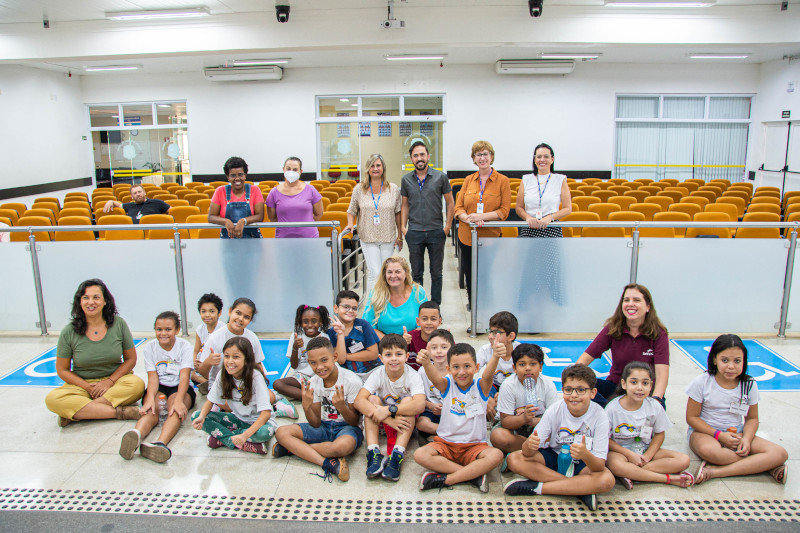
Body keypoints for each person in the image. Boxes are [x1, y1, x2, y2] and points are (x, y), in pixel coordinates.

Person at [504, 364, 615, 511]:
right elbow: (527, 452)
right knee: (514, 459)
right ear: (562, 390)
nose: (574, 395)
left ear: (593, 393)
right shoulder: (555, 410)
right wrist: (529, 445)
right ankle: (580, 489)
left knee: (607, 480)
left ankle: (539, 488)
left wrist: (585, 455)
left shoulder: (600, 416)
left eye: (581, 390)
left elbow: (599, 465)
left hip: (582, 463)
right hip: (555, 456)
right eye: (569, 390)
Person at [686, 334, 788, 485]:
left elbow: (752, 418)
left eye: (737, 361)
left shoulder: (749, 385)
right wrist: (719, 435)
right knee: (711, 452)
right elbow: (692, 418)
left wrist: (746, 439)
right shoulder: (702, 382)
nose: (731, 366)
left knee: (780, 453)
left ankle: (714, 472)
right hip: (705, 432)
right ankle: (763, 466)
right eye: (725, 360)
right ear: (714, 359)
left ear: (744, 361)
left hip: (737, 432)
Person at [45, 279, 144, 427]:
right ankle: (120, 412)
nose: (91, 302)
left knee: (137, 385)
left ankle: (78, 413)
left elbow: (131, 360)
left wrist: (109, 382)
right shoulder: (68, 331)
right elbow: (62, 370)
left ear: (105, 302)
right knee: (53, 399)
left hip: (114, 381)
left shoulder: (119, 324)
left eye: (96, 297)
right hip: (82, 385)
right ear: (79, 302)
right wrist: (87, 387)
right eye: (85, 298)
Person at [415, 343, 504, 493]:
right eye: (456, 367)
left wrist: (495, 356)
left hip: (475, 446)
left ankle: (448, 479)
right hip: (446, 444)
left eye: (467, 366)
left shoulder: (480, 387)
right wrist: (425, 363)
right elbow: (435, 377)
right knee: (420, 454)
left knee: (496, 455)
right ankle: (472, 475)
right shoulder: (447, 385)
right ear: (448, 370)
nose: (462, 372)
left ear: (476, 368)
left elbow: (488, 376)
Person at [273, 337, 364, 482]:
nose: (319, 367)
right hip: (323, 426)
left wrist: (342, 407)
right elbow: (315, 423)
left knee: (342, 447)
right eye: (313, 363)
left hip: (347, 428)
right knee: (281, 432)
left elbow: (354, 421)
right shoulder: (313, 382)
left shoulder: (352, 381)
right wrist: (306, 406)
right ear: (309, 363)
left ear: (334, 357)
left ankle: (294, 449)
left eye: (324, 360)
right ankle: (325, 462)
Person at [576, 284, 669, 407]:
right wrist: (575, 380)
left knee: (657, 408)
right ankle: (610, 411)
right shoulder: (612, 329)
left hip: (643, 391)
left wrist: (656, 400)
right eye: (626, 300)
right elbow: (582, 362)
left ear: (648, 307)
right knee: (582, 386)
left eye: (636, 300)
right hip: (615, 387)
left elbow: (662, 374)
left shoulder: (658, 333)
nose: (630, 304)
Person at [119, 311, 195, 463]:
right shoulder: (150, 348)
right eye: (159, 329)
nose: (163, 333)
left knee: (175, 411)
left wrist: (180, 400)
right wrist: (149, 400)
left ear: (177, 330)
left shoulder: (185, 346)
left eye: (168, 329)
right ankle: (136, 435)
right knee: (151, 411)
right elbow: (152, 378)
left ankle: (160, 444)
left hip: (179, 386)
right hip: (159, 386)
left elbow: (184, 376)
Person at [606, 362, 692, 489]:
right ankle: (667, 479)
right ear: (624, 384)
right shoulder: (612, 408)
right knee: (615, 464)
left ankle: (632, 474)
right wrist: (629, 455)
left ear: (651, 385)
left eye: (645, 383)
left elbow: (659, 434)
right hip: (621, 452)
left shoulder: (654, 406)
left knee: (684, 459)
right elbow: (606, 439)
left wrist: (647, 456)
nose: (640, 387)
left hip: (645, 449)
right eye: (634, 382)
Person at [354, 334, 426, 481]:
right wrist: (387, 419)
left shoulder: (413, 375)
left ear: (406, 357)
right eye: (388, 354)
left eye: (398, 354)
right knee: (372, 399)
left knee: (408, 402)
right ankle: (373, 452)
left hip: (403, 419)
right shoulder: (377, 374)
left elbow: (420, 405)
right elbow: (359, 401)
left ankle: (397, 455)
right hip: (382, 418)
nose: (393, 358)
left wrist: (388, 410)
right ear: (381, 358)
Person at [192, 337, 277, 454]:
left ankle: (223, 438)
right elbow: (210, 401)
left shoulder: (255, 377)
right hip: (237, 419)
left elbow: (266, 414)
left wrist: (245, 435)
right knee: (196, 416)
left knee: (264, 434)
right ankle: (241, 442)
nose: (230, 361)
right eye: (226, 356)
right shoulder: (223, 374)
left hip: (259, 423)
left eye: (236, 357)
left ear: (246, 359)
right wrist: (201, 417)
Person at [453, 141, 511, 305]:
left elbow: (504, 211)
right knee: (470, 276)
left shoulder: (502, 181)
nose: (482, 158)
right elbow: (458, 208)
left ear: (491, 156)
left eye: (485, 154)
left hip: (490, 238)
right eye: (478, 155)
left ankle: (488, 313)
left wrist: (482, 217)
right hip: (467, 236)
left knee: (487, 276)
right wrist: (469, 218)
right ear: (474, 158)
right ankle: (474, 312)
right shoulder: (469, 180)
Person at [400, 141, 454, 305]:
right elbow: (404, 205)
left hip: (436, 231)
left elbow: (450, 203)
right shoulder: (406, 180)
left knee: (436, 273)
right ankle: (419, 306)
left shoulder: (440, 177)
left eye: (422, 154)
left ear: (428, 156)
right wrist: (403, 228)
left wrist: (447, 228)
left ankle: (435, 308)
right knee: (416, 274)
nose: (419, 158)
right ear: (411, 159)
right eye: (416, 155)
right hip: (414, 232)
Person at [491, 343, 558, 467]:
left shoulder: (548, 385)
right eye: (522, 364)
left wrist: (533, 421)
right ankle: (536, 452)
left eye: (533, 364)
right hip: (515, 429)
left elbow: (554, 419)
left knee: (559, 433)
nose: (528, 368)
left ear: (541, 367)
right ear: (514, 368)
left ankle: (524, 453)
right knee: (498, 436)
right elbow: (505, 421)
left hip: (539, 426)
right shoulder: (508, 385)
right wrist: (524, 418)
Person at [344, 154, 402, 295]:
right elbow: (351, 210)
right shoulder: (359, 189)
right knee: (374, 272)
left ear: (383, 168)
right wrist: (350, 224)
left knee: (387, 273)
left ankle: (386, 304)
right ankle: (372, 307)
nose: (375, 168)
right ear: (368, 169)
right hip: (368, 237)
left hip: (388, 237)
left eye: (378, 165)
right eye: (372, 166)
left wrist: (400, 236)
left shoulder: (393, 189)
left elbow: (398, 213)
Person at [273, 304, 331, 401]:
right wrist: (295, 348)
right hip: (301, 377)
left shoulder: (324, 338)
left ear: (320, 322)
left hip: (320, 375)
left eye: (314, 321)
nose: (309, 325)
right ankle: (312, 397)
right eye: (305, 321)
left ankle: (305, 394)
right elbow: (294, 366)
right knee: (277, 384)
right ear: (300, 322)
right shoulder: (296, 336)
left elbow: (328, 363)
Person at [362, 256, 428, 339]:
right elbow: (367, 324)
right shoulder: (376, 293)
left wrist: (410, 337)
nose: (393, 276)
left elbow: (427, 322)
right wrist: (391, 343)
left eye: (397, 272)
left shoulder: (419, 292)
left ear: (406, 273)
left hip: (413, 342)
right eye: (389, 272)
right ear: (384, 274)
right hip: (383, 345)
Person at [515, 143, 572, 238]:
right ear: (534, 160)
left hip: (551, 228)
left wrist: (550, 217)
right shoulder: (526, 179)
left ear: (552, 159)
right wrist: (528, 218)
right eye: (539, 157)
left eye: (546, 156)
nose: (542, 160)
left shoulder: (560, 179)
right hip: (529, 228)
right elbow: (519, 207)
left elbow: (567, 209)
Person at [327, 290, 381, 381]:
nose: (350, 311)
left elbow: (373, 354)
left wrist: (346, 355)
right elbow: (340, 360)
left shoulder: (363, 325)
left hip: (372, 370)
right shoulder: (331, 333)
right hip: (349, 376)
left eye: (354, 308)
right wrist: (340, 334)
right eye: (346, 307)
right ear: (336, 308)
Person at [476, 311, 521, 420]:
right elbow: (471, 374)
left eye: (496, 332)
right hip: (493, 386)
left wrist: (504, 393)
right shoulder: (485, 350)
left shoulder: (521, 351)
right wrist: (485, 398)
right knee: (477, 399)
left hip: (514, 387)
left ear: (511, 336)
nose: (490, 336)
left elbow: (527, 379)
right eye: (490, 331)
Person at [265, 156, 324, 238]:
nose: (291, 172)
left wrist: (305, 226)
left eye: (295, 169)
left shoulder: (311, 190)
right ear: (283, 170)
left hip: (309, 238)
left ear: (300, 171)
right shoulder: (273, 193)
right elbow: (272, 218)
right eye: (288, 169)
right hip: (284, 239)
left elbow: (319, 214)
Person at [208, 156, 264, 238]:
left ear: (245, 175)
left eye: (240, 175)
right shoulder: (220, 191)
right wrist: (226, 221)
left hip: (252, 238)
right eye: (233, 175)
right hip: (228, 239)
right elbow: (211, 217)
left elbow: (260, 216)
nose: (237, 179)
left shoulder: (255, 190)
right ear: (228, 177)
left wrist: (243, 221)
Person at [415, 329, 454, 440]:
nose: (439, 351)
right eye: (434, 348)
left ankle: (440, 434)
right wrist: (431, 406)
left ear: (452, 349)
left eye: (444, 347)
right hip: (432, 411)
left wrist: (447, 408)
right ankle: (449, 433)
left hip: (453, 411)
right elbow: (418, 396)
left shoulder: (455, 371)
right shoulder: (423, 370)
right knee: (421, 423)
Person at [193, 293, 224, 395]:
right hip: (202, 363)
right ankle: (204, 381)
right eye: (203, 311)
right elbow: (196, 350)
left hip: (216, 363)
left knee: (218, 372)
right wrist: (195, 362)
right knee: (185, 370)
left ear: (219, 313)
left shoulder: (223, 329)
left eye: (211, 311)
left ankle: (207, 382)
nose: (207, 315)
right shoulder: (200, 329)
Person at [402, 300, 443, 370]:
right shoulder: (410, 337)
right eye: (424, 319)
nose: (429, 322)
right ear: (418, 321)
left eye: (433, 319)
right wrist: (402, 343)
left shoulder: (445, 339)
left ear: (439, 321)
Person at [102, 184, 170, 223]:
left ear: (144, 192)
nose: (138, 194)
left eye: (139, 192)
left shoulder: (157, 202)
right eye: (135, 193)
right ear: (132, 196)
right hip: (136, 236)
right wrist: (110, 201)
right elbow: (118, 204)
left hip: (154, 235)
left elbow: (172, 211)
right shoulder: (129, 206)